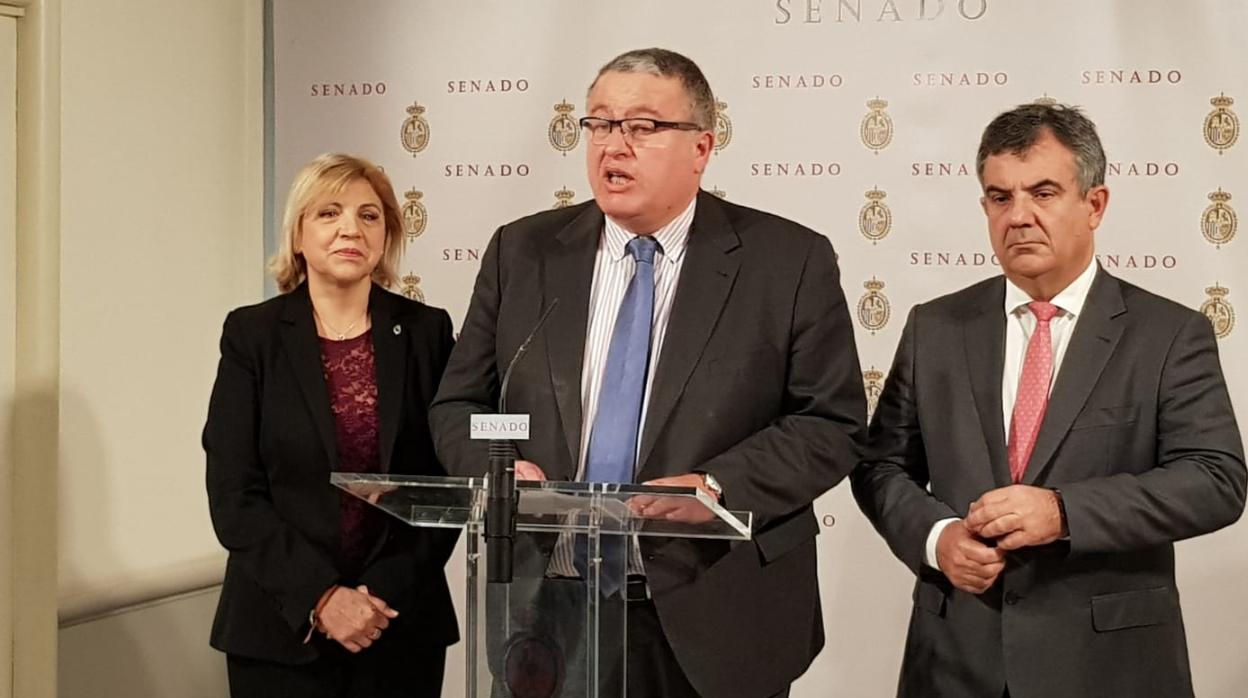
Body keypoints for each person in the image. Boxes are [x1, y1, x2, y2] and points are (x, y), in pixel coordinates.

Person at [430, 48, 865, 698]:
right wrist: (494, 460)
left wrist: (716, 486)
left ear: (701, 147)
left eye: (642, 126)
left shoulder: (786, 261)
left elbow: (828, 422)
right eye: (600, 124)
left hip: (715, 609)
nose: (614, 145)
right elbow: (463, 404)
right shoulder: (523, 252)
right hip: (548, 615)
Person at [851, 102, 1247, 697]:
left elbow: (1216, 481)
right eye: (1000, 197)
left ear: (1094, 205)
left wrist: (1063, 512)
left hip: (1110, 667)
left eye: (1043, 192)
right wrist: (938, 539)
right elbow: (879, 466)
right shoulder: (935, 327)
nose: (1020, 216)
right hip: (956, 662)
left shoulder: (1168, 334)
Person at [204, 153, 458, 697]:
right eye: (329, 213)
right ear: (298, 234)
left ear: (387, 234)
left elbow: (445, 484)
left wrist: (376, 599)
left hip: (398, 622)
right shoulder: (252, 335)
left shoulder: (428, 332)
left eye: (370, 215)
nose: (351, 228)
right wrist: (321, 597)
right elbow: (234, 494)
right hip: (279, 630)